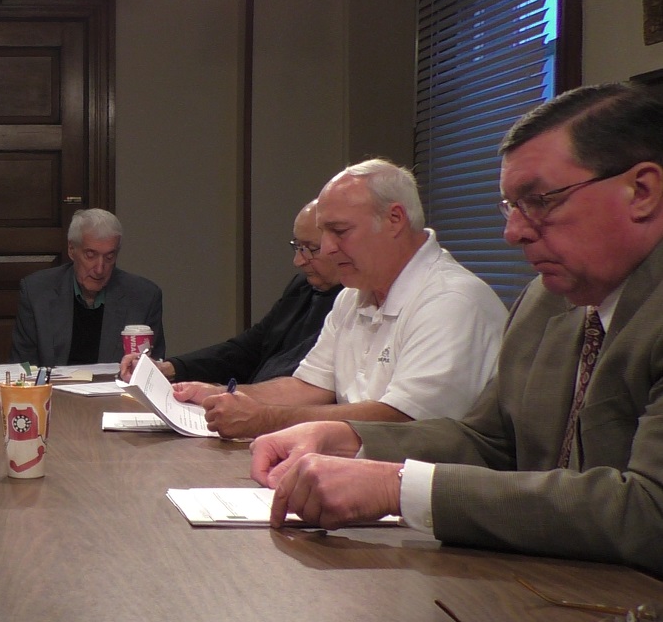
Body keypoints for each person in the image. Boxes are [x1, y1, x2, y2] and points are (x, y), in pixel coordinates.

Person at [250, 83, 663, 577]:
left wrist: (396, 488)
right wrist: (347, 438)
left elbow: (649, 513)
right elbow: (489, 443)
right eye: (511, 206)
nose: (513, 232)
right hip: (538, 587)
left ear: (642, 191)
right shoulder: (546, 301)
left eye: (540, 200)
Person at [174, 159, 505, 438]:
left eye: (340, 232)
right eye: (324, 234)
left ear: (394, 219)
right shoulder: (351, 296)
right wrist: (222, 394)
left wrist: (266, 420)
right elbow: (308, 388)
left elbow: (404, 421)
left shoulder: (452, 301)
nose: (328, 248)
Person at [118, 199, 342, 384]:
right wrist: (168, 368)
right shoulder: (301, 287)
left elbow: (309, 390)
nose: (298, 261)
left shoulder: (351, 302)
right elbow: (246, 350)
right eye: (297, 247)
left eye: (310, 249)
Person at [12, 208, 165, 365]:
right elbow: (24, 366)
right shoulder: (36, 292)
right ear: (71, 249)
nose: (99, 269)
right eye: (90, 255)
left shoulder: (144, 297)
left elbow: (153, 369)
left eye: (109, 257)